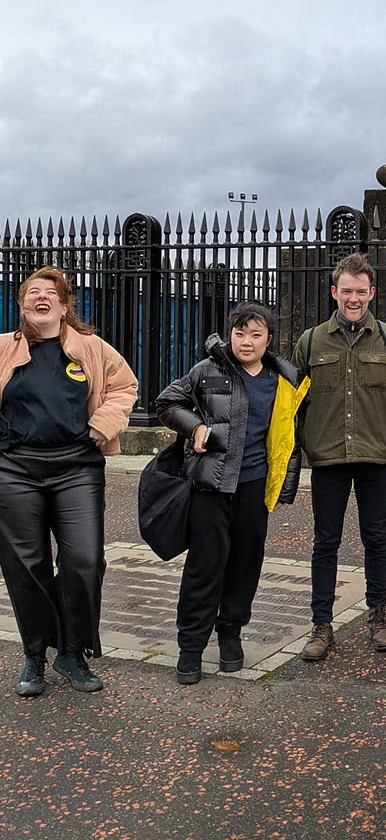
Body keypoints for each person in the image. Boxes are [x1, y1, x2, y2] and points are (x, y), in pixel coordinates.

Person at [0, 266, 138, 697]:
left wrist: (103, 425)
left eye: (51, 293)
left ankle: (72, 651)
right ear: (22, 305)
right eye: (32, 293)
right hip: (15, 469)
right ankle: (35, 654)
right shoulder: (4, 348)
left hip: (76, 468)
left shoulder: (92, 348)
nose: (41, 298)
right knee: (26, 567)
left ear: (64, 305)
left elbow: (125, 386)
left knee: (84, 561)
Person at [154, 302, 309, 684]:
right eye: (240, 333)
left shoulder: (284, 379)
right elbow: (166, 403)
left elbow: (290, 430)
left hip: (255, 486)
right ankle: (191, 647)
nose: (246, 342)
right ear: (230, 334)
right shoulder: (207, 371)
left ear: (269, 339)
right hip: (212, 484)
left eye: (256, 334)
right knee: (205, 565)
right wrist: (195, 429)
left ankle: (231, 635)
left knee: (245, 564)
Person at [293, 253, 386, 658]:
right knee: (325, 542)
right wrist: (305, 442)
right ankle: (321, 623)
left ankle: (378, 615)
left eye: (360, 291)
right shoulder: (310, 341)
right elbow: (293, 400)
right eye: (346, 291)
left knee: (376, 539)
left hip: (375, 457)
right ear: (334, 292)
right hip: (327, 457)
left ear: (371, 293)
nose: (353, 298)